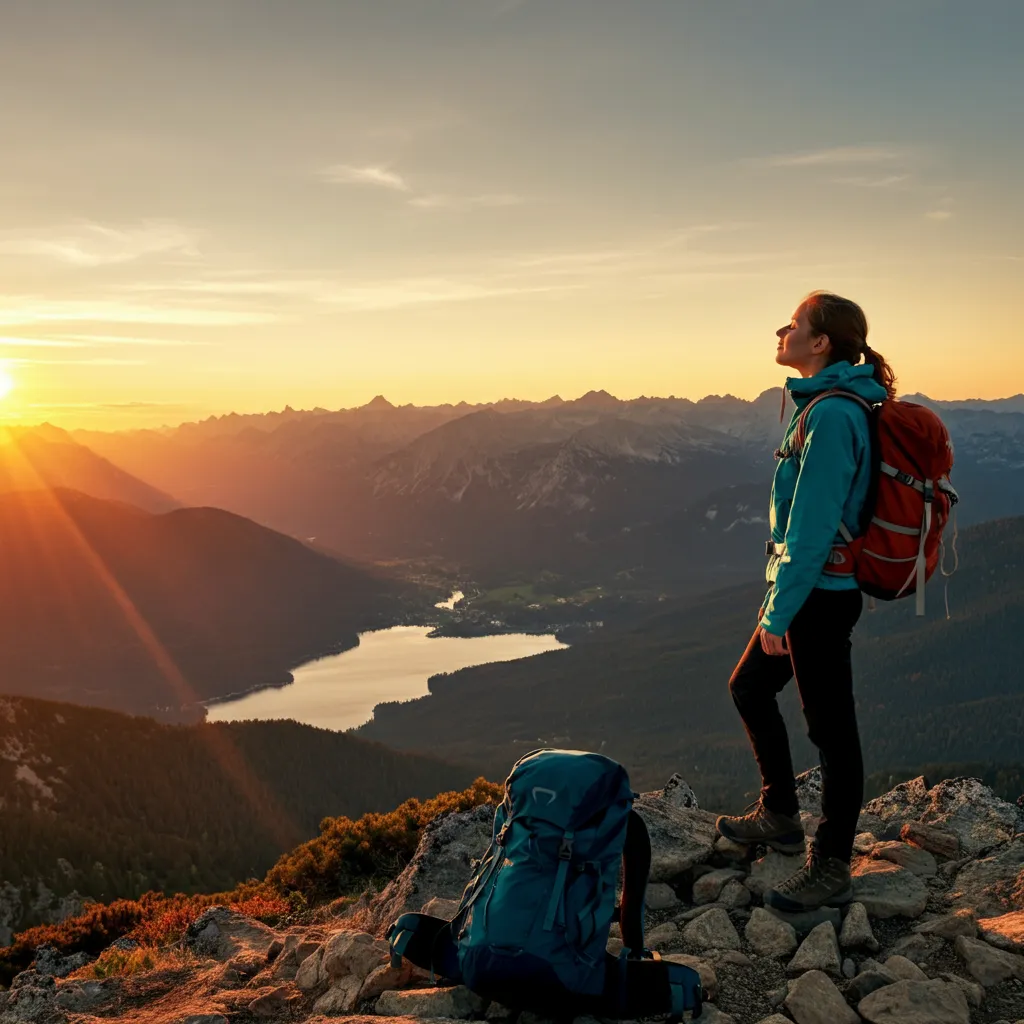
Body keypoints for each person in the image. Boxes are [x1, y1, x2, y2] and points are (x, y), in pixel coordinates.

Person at [715, 291, 897, 912]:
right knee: (749, 688)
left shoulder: (832, 415)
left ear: (820, 343)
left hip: (818, 597)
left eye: (793, 326)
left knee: (831, 732)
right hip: (808, 592)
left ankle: (832, 864)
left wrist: (778, 614)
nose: (782, 332)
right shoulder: (819, 405)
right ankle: (781, 814)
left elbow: (813, 527)